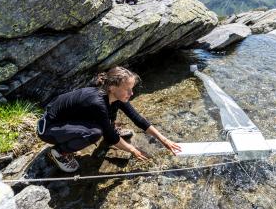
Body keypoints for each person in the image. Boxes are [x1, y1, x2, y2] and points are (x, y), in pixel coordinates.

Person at [37, 66, 181, 172]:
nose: (131, 93)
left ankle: (104, 127)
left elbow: (137, 119)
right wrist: (133, 150)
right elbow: (111, 137)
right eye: (128, 89)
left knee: (105, 122)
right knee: (95, 133)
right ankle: (60, 152)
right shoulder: (96, 101)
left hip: (67, 121)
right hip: (49, 129)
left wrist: (164, 140)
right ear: (112, 87)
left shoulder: (114, 96)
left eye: (132, 88)